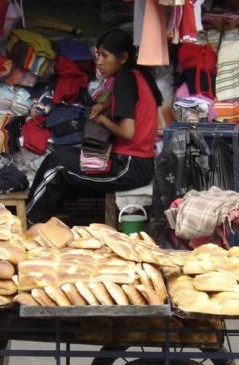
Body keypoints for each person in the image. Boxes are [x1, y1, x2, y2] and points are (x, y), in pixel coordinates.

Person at [27, 29, 162, 224]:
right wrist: (103, 105)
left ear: (123, 57)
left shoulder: (124, 80)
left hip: (129, 167)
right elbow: (130, 101)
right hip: (134, 162)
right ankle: (47, 220)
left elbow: (127, 132)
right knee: (58, 157)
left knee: (56, 166)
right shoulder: (137, 75)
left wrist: (102, 120)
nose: (99, 61)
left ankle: (29, 221)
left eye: (105, 56)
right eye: (98, 54)